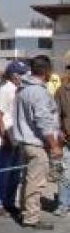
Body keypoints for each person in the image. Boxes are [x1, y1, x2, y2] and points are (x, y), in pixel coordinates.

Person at [12, 55, 63, 230]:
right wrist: (54, 145)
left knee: (27, 180)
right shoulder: (38, 92)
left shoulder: (22, 89)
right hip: (36, 144)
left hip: (24, 142)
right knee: (36, 182)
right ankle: (31, 218)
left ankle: (25, 211)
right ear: (46, 71)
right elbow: (43, 121)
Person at [0, 60, 28, 216]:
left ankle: (9, 202)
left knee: (14, 173)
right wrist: (5, 137)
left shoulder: (20, 90)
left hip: (17, 137)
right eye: (23, 74)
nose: (25, 76)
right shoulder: (5, 90)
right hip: (5, 138)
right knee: (1, 172)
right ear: (14, 75)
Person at [52, 56, 70, 217]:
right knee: (65, 173)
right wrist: (58, 133)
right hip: (67, 139)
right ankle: (63, 204)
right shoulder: (62, 91)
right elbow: (55, 115)